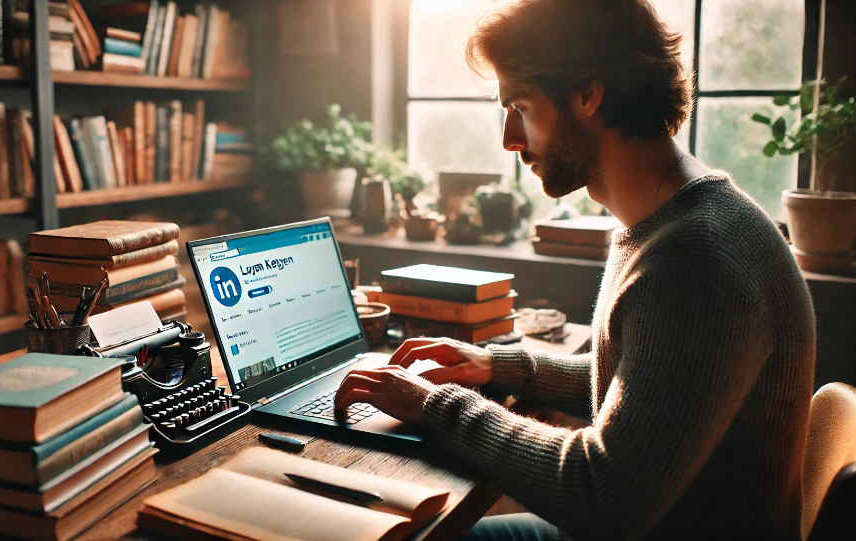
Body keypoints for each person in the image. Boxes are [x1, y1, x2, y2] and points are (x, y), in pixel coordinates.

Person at [334, 0, 817, 539]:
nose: (509, 140)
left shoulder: (698, 260)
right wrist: (504, 368)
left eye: (518, 106)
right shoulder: (680, 219)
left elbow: (603, 494)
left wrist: (436, 404)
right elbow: (651, 387)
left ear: (588, 93)